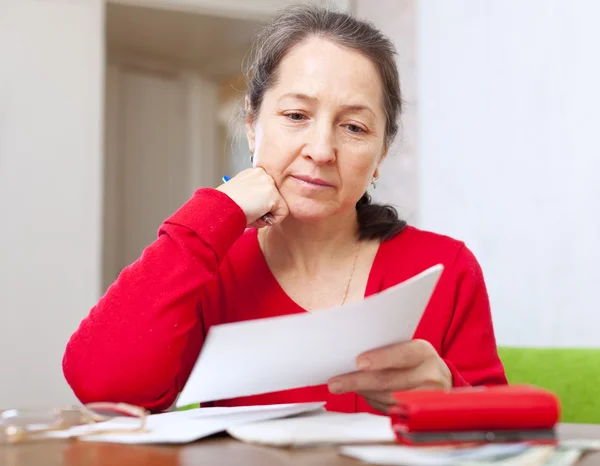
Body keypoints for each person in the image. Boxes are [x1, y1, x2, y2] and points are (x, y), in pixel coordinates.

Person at [62, 4, 507, 415]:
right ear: (252, 125)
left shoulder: (446, 268)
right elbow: (103, 388)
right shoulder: (208, 267)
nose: (321, 150)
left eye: (354, 127)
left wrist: (449, 394)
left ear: (382, 153)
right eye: (296, 116)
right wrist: (215, 211)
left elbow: (509, 436)